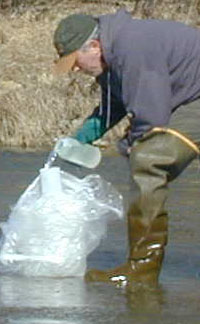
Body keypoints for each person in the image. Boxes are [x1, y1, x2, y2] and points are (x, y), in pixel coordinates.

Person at [53, 9, 200, 286]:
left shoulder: (132, 48)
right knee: (145, 151)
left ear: (94, 47)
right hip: (190, 98)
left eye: (75, 61)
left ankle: (140, 272)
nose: (74, 69)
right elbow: (114, 107)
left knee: (148, 159)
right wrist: (78, 139)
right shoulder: (113, 54)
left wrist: (133, 144)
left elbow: (152, 117)